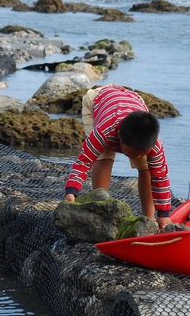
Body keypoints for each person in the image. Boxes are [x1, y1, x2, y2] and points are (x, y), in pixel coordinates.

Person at [64, 84, 172, 227]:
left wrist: (164, 214)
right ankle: (101, 209)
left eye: (142, 153)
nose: (136, 157)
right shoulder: (103, 132)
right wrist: (72, 191)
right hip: (97, 101)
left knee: (146, 167)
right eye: (132, 153)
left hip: (132, 100)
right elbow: (84, 161)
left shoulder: (155, 145)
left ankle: (149, 220)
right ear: (120, 138)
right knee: (104, 158)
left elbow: (160, 176)